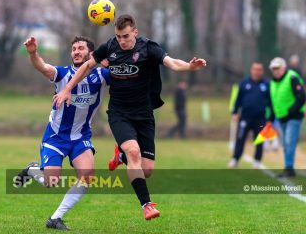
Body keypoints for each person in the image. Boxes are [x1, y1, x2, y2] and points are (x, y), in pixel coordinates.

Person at [53, 14, 206, 220]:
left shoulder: (148, 48)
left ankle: (121, 156)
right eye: (118, 36)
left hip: (144, 114)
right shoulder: (109, 47)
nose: (122, 41)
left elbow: (171, 63)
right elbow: (88, 66)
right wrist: (68, 89)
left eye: (125, 36)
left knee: (147, 170)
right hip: (119, 113)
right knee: (134, 152)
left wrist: (189, 66)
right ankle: (147, 205)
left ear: (135, 32)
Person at [14, 36, 110, 230]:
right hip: (56, 137)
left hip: (81, 137)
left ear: (91, 54)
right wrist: (33, 53)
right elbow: (42, 67)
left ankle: (55, 218)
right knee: (51, 182)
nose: (76, 51)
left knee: (88, 176)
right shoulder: (62, 73)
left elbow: (124, 74)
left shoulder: (101, 75)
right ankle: (32, 169)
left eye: (81, 48)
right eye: (73, 48)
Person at [227, 62, 271, 169]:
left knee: (259, 140)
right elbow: (238, 99)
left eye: (259, 69)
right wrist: (235, 112)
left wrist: (270, 118)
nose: (257, 71)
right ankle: (235, 159)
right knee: (240, 138)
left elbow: (270, 103)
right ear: (251, 70)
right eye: (255, 69)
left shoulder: (266, 84)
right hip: (245, 117)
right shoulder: (244, 83)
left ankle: (257, 161)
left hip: (260, 119)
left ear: (262, 71)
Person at [269, 57, 305, 177]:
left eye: (278, 68)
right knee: (285, 143)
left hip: (294, 117)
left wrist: (292, 110)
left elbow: (301, 96)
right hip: (281, 117)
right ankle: (288, 167)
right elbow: (274, 102)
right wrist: (270, 118)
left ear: (284, 68)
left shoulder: (292, 77)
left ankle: (289, 168)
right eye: (274, 69)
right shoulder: (273, 82)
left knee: (290, 141)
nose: (276, 71)